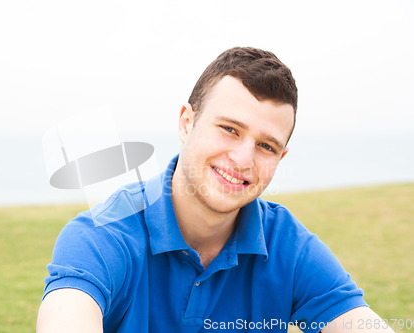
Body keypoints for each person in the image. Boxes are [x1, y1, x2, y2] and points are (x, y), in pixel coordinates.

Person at [37, 47, 395, 333]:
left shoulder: (289, 246)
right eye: (229, 129)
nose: (243, 159)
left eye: (266, 146)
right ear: (187, 122)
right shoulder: (101, 237)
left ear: (281, 156)